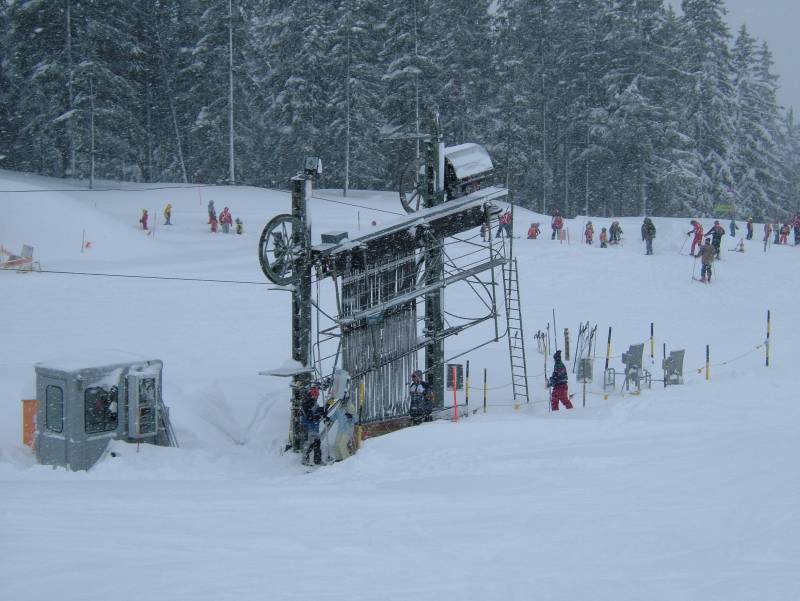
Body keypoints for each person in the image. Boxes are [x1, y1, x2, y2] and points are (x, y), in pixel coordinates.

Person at [300, 383, 325, 465]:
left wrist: (322, 410)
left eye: (317, 396)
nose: (317, 397)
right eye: (316, 395)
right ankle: (304, 459)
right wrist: (318, 415)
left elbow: (316, 410)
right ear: (312, 394)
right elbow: (309, 416)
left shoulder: (314, 402)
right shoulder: (306, 403)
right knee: (310, 443)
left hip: (314, 426)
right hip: (308, 426)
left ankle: (317, 460)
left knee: (317, 442)